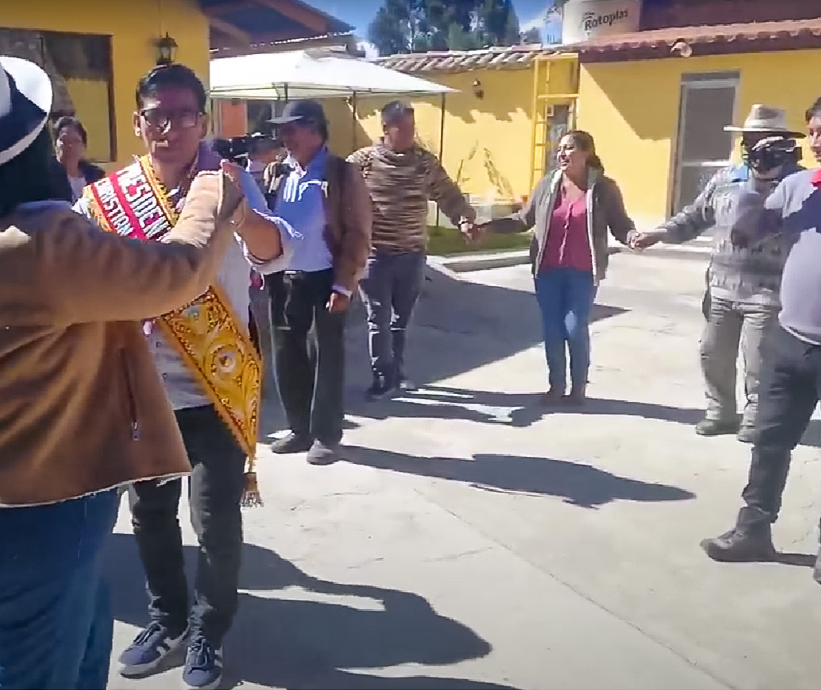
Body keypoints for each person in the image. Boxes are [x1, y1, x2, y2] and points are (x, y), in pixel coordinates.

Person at [0, 43, 243, 688]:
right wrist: (214, 186)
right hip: (32, 507)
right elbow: (180, 271)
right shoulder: (41, 244)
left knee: (79, 651)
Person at [75, 63, 296, 690]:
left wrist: (238, 212)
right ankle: (166, 619)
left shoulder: (227, 183)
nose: (169, 128)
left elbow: (280, 252)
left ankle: (207, 632)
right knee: (148, 514)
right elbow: (79, 274)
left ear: (204, 121)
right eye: (156, 116)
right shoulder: (105, 198)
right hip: (140, 389)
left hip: (213, 383)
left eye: (184, 115)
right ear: (140, 123)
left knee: (215, 519)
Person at [700, 91, 821, 592]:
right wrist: (763, 184)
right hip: (790, 340)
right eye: (811, 133)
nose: (816, 142)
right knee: (768, 439)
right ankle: (754, 529)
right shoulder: (799, 186)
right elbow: (744, 235)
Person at [630, 105, 804, 442]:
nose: (753, 147)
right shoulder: (726, 178)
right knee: (713, 354)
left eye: (762, 141)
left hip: (769, 292)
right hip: (722, 288)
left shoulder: (798, 183)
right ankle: (720, 412)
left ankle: (757, 417)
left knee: (759, 361)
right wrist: (659, 234)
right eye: (748, 139)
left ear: (781, 143)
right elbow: (695, 217)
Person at [479, 130, 636, 405]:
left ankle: (578, 388)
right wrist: (488, 228)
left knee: (574, 328)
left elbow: (620, 223)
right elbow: (523, 219)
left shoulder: (603, 189)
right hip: (547, 270)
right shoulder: (548, 184)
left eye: (570, 148)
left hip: (583, 271)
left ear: (586, 153)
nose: (561, 154)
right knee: (552, 329)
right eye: (560, 149)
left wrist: (633, 237)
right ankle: (556, 386)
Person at [262, 99, 372, 465]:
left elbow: (358, 233)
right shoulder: (279, 172)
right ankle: (299, 428)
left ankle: (327, 435)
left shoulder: (342, 173)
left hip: (328, 276)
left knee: (328, 356)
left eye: (290, 129)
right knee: (287, 352)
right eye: (282, 130)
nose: (284, 136)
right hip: (285, 276)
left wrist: (344, 284)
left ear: (313, 129)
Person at [348, 100, 479, 397]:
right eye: (402, 128)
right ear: (386, 128)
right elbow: (337, 193)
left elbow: (448, 194)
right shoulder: (363, 162)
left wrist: (464, 220)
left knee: (400, 320)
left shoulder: (424, 162)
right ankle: (382, 376)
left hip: (412, 254)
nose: (409, 133)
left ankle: (397, 371)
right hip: (375, 255)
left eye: (411, 127)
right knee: (378, 317)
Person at [52, 115, 105, 200]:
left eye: (76, 141)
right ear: (55, 144)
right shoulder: (45, 177)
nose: (70, 146)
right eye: (64, 140)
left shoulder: (96, 176)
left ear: (84, 146)